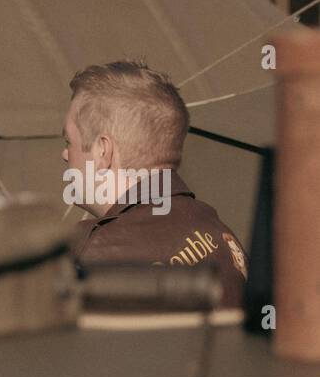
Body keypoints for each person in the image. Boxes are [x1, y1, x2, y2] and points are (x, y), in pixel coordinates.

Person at [62, 60, 248, 308]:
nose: (65, 155)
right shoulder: (215, 228)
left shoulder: (88, 259)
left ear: (102, 151)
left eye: (68, 141)